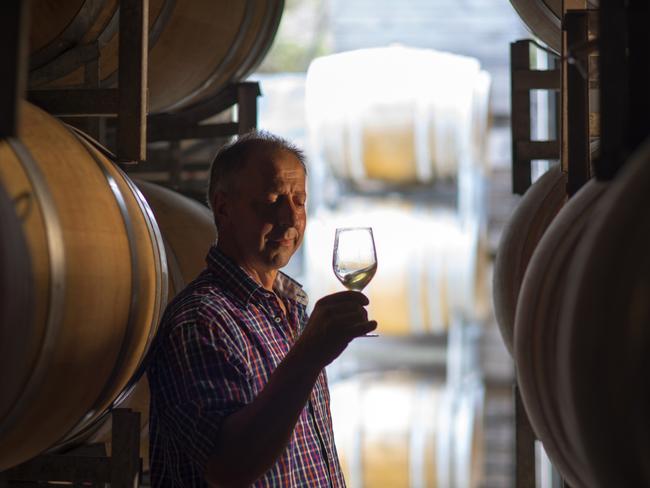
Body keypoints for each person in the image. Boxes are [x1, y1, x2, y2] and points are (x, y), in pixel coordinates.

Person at [146, 131, 377, 487]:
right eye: (271, 200)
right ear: (223, 208)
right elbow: (229, 467)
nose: (289, 217)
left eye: (298, 201)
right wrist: (309, 355)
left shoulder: (292, 309)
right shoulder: (200, 321)